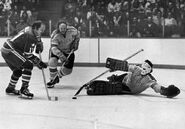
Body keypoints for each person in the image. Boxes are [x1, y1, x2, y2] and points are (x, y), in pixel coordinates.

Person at [86, 58, 180, 98]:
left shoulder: (149, 79)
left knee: (117, 86)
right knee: (120, 77)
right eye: (143, 66)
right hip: (125, 79)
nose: (142, 69)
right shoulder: (136, 68)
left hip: (129, 88)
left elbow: (157, 88)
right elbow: (126, 67)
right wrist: (115, 67)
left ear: (149, 70)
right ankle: (114, 77)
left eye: (146, 68)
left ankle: (96, 86)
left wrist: (166, 91)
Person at [1, 20, 47, 99]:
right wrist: (39, 62)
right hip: (10, 50)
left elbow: (37, 39)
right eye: (41, 30)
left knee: (18, 70)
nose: (41, 32)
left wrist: (39, 43)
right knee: (28, 65)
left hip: (6, 49)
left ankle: (10, 88)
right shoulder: (29, 36)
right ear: (35, 28)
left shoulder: (31, 30)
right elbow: (27, 54)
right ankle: (24, 89)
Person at [47, 20, 80, 88]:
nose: (63, 30)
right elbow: (53, 48)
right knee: (52, 62)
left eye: (64, 28)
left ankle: (58, 76)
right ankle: (52, 79)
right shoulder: (54, 34)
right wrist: (61, 56)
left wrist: (76, 43)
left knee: (68, 71)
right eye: (61, 29)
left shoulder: (73, 30)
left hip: (68, 51)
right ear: (58, 28)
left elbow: (78, 34)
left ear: (66, 27)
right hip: (57, 50)